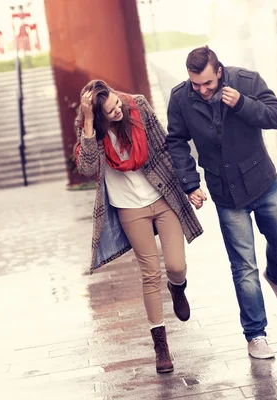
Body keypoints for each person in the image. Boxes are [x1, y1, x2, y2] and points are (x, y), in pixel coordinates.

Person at [166, 46, 277, 359]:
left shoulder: (246, 81)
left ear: (219, 71)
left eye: (207, 83)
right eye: (196, 84)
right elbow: (176, 141)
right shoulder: (181, 98)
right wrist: (190, 184)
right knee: (243, 267)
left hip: (263, 181)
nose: (202, 89)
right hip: (225, 192)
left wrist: (242, 104)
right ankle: (256, 334)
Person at [74, 80, 203, 373]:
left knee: (175, 265)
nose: (118, 110)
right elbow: (88, 167)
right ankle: (161, 346)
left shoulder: (137, 105)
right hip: (129, 207)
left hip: (162, 195)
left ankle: (178, 286)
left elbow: (166, 148)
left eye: (117, 104)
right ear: (97, 114)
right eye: (110, 110)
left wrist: (189, 187)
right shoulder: (89, 128)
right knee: (149, 274)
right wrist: (91, 124)